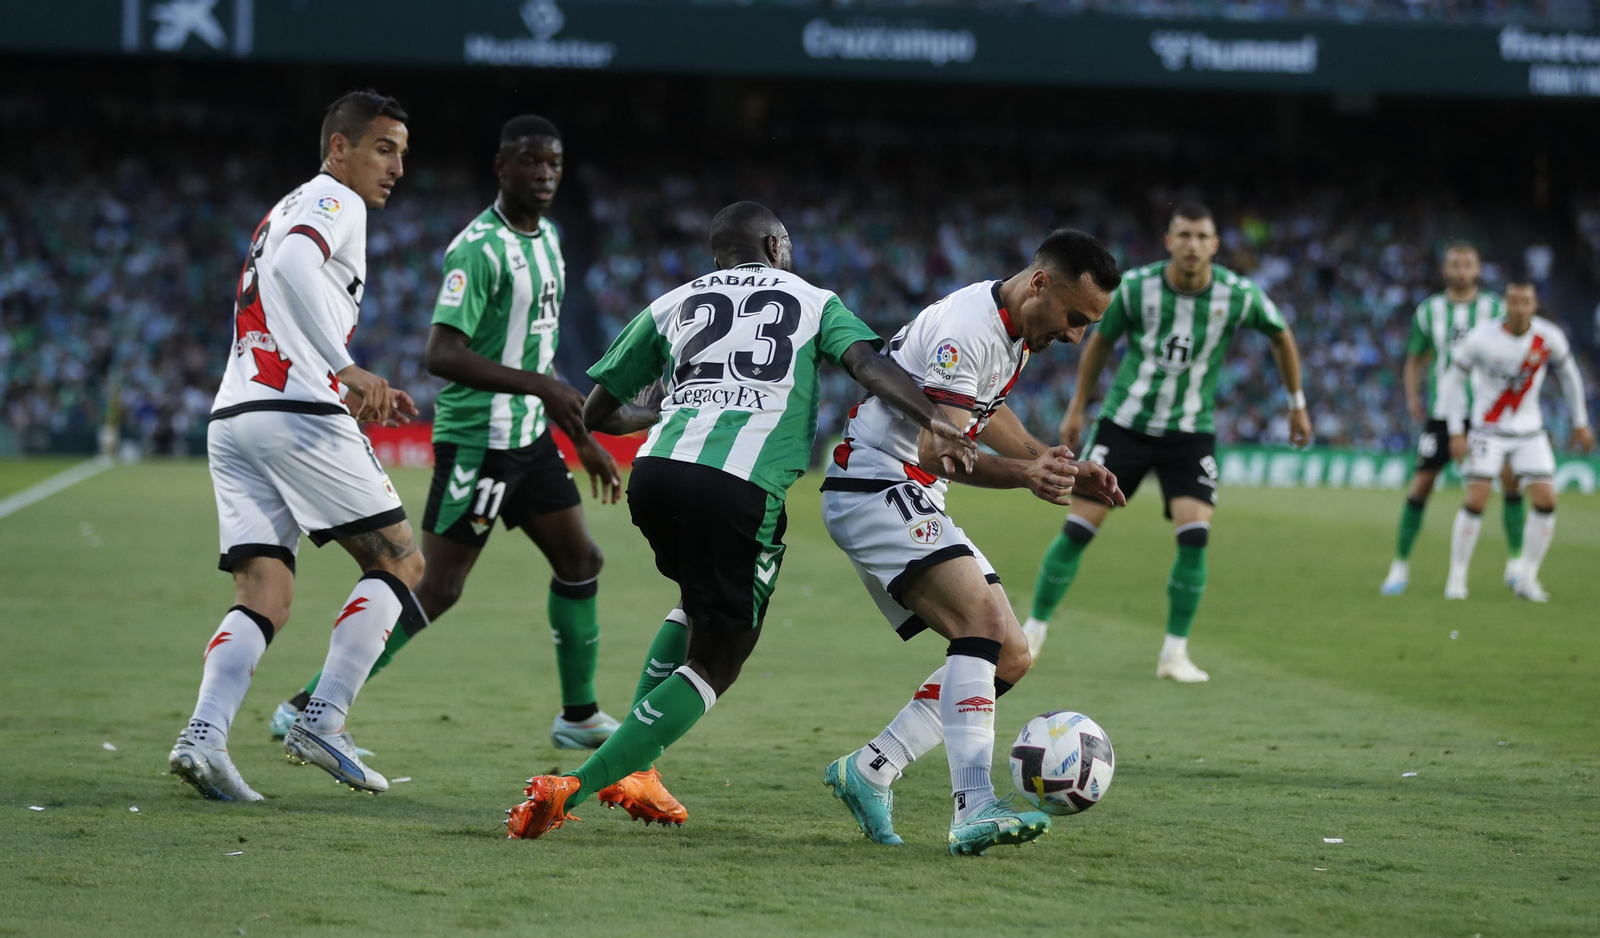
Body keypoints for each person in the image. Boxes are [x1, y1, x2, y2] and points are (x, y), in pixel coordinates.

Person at [504, 201, 977, 838]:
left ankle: (641, 767)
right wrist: (934, 417)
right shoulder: (813, 300)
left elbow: (596, 414)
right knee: (717, 659)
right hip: (736, 487)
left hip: (658, 473)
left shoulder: (674, 301)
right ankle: (577, 787)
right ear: (776, 245)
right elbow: (866, 364)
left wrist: (678, 404)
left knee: (697, 601)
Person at [267, 116, 626, 752]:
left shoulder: (551, 240)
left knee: (582, 561)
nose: (543, 174)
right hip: (478, 440)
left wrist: (585, 440)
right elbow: (442, 354)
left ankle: (578, 716)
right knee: (436, 585)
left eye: (553, 163)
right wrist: (544, 390)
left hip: (530, 437)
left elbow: (537, 358)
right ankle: (308, 705)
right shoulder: (476, 248)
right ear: (501, 168)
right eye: (530, 162)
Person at [819, 229, 1125, 855]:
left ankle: (872, 768)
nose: (1075, 337)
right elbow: (942, 448)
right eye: (1074, 318)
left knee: (1009, 655)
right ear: (1039, 282)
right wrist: (1024, 475)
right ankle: (973, 805)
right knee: (980, 622)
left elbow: (987, 412)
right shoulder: (971, 329)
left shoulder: (1009, 330)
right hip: (875, 481)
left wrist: (1055, 460)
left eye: (1088, 326)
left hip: (908, 489)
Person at [168, 90, 422, 801]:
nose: (396, 166)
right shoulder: (333, 202)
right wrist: (341, 369)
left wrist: (340, 371)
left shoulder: (282, 208)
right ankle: (324, 720)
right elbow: (291, 273)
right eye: (383, 148)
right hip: (295, 410)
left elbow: (279, 289)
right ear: (338, 147)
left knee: (265, 591)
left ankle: (204, 737)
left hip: (236, 416)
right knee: (401, 559)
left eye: (402, 152)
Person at [1022, 202, 1311, 682]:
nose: (1192, 245)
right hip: (1125, 425)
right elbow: (1100, 341)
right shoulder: (1136, 288)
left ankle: (1174, 654)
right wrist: (1077, 406)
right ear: (1169, 241)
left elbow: (1280, 334)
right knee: (1077, 530)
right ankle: (1033, 630)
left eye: (1202, 236)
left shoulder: (1237, 295)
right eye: (1184, 235)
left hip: (1190, 433)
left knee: (1195, 536)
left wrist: (1297, 401)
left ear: (1215, 245)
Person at [1381, 244, 1521, 596]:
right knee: (1421, 484)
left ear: (1478, 269)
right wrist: (1413, 396)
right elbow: (1415, 357)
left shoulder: (1495, 309)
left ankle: (1517, 565)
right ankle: (1399, 567)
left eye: (1468, 264)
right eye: (1455, 265)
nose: (1462, 271)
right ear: (1445, 270)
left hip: (1488, 413)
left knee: (1510, 481)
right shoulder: (1429, 311)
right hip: (1443, 413)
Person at [1442, 279, 1592, 601]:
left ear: (1534, 304)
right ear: (1505, 304)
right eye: (1513, 302)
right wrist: (1456, 429)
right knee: (1476, 500)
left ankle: (1527, 578)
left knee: (1546, 500)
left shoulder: (1547, 336)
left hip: (1529, 431)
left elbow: (1570, 376)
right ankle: (1456, 578)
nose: (1519, 308)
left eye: (1525, 302)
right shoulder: (1482, 338)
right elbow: (1454, 379)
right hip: (1487, 429)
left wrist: (1580, 422)